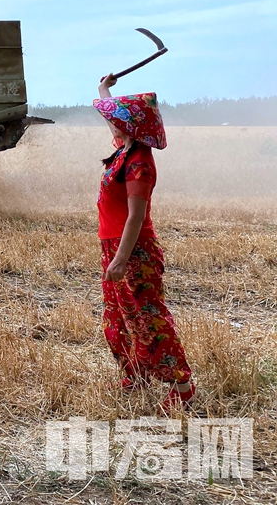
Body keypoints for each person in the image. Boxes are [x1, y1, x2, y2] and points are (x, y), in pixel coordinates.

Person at [95, 74, 195, 410]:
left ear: (133, 127)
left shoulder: (140, 163)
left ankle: (183, 387)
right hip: (114, 247)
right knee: (118, 320)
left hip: (134, 250)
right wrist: (103, 89)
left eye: (121, 120)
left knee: (148, 319)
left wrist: (121, 259)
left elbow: (136, 217)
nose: (115, 124)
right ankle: (134, 374)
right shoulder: (125, 147)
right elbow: (111, 116)